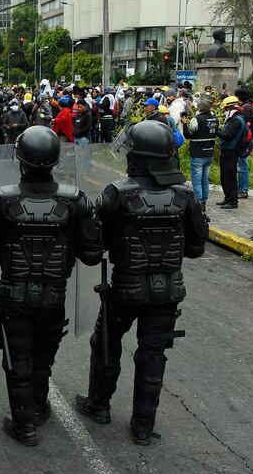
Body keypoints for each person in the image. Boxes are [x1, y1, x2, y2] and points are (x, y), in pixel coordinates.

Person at [75, 120, 208, 445]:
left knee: (106, 342)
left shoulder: (118, 193)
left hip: (125, 287)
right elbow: (195, 247)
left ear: (140, 157)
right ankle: (143, 426)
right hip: (168, 290)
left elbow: (93, 252)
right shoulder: (185, 195)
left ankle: (99, 406)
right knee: (153, 354)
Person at [0, 126, 102, 446]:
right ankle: (37, 406)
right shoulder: (75, 200)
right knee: (43, 355)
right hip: (54, 295)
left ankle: (25, 424)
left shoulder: (2, 199)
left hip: (13, 294)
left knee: (17, 357)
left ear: (20, 160)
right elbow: (92, 254)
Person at [184, 94, 218, 214]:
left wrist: (184, 124)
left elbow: (188, 134)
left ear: (201, 107)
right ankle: (204, 202)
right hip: (209, 152)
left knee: (197, 180)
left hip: (198, 153)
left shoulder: (196, 119)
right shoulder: (214, 119)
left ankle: (198, 203)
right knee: (205, 180)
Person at [216, 96, 248, 209]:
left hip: (231, 151)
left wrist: (215, 131)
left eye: (225, 109)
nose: (224, 111)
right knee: (225, 177)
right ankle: (228, 198)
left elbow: (228, 136)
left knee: (230, 177)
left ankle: (232, 201)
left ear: (230, 107)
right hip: (227, 151)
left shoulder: (236, 120)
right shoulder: (233, 118)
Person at [234, 88, 253, 200]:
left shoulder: (246, 108)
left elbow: (244, 127)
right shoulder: (247, 107)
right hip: (243, 140)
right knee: (241, 165)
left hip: (243, 141)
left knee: (242, 166)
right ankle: (241, 188)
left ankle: (243, 189)